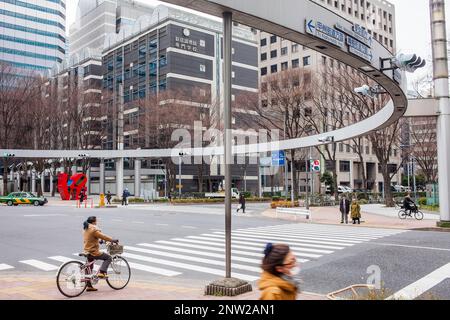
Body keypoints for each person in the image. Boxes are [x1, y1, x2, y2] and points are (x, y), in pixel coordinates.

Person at [82, 216, 118, 292]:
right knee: (108, 258)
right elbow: (103, 236)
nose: (97, 222)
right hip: (93, 251)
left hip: (87, 250)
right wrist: (112, 240)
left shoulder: (86, 228)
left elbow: (90, 238)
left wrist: (99, 241)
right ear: (93, 222)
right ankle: (102, 272)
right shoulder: (94, 229)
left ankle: (89, 286)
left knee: (89, 268)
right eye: (96, 221)